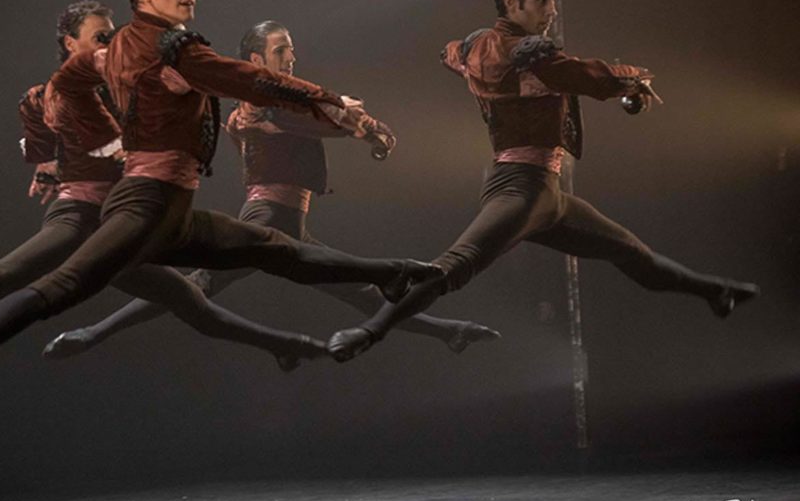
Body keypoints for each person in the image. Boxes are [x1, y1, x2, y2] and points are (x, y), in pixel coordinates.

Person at [0, 0, 440, 415]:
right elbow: (251, 81)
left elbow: (72, 81)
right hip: (146, 205)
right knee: (59, 287)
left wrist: (82, 141)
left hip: (172, 208)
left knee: (275, 249)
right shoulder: (175, 49)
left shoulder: (117, 49)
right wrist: (329, 99)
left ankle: (396, 272)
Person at [0, 0, 328, 373]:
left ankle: (286, 346)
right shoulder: (41, 98)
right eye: (99, 38)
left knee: (191, 302)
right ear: (68, 43)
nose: (109, 46)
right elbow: (43, 148)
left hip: (121, 223)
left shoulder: (126, 88)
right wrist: (50, 169)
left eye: (111, 38)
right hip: (80, 217)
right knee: (1, 276)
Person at [328, 0, 758, 360]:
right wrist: (632, 80)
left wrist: (619, 89)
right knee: (453, 266)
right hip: (521, 189)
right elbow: (581, 75)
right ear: (511, 4)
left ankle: (714, 290)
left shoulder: (490, 48)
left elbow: (453, 54)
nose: (551, 9)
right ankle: (368, 333)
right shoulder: (526, 52)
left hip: (547, 194)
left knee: (631, 253)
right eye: (541, 1)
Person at [44, 20, 499, 359]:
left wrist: (364, 131)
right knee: (196, 288)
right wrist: (365, 129)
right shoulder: (263, 107)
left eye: (292, 50)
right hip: (265, 217)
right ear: (256, 61)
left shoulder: (267, 107)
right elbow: (315, 121)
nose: (291, 58)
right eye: (282, 51)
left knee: (355, 292)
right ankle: (93, 333)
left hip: (287, 220)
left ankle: (446, 330)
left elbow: (316, 121)